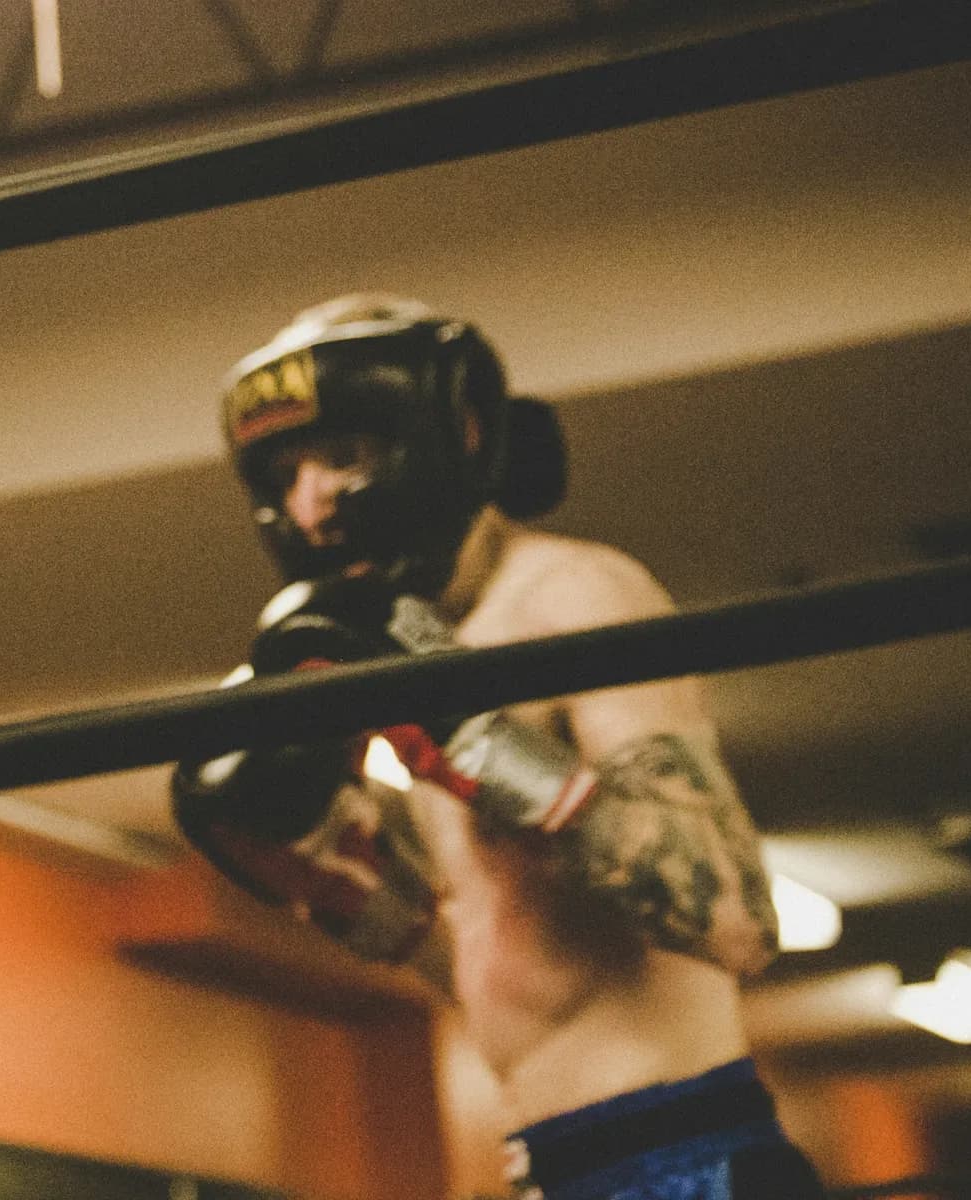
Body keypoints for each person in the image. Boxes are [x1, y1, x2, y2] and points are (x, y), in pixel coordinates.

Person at [173, 295, 826, 1199]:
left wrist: (483, 740)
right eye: (283, 474)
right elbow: (501, 965)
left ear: (458, 435)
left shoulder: (575, 594)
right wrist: (355, 891)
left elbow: (738, 923)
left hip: (684, 1151)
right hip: (549, 1163)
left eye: (344, 455)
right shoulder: (390, 650)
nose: (309, 503)